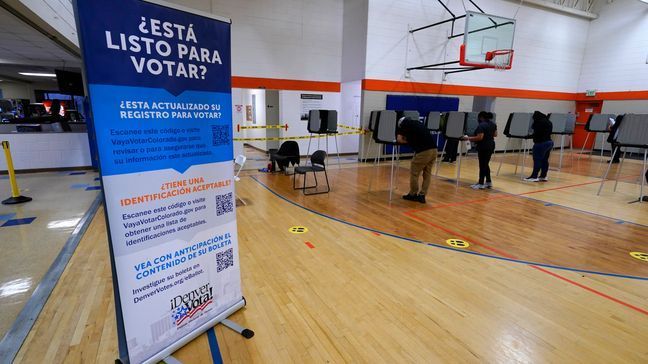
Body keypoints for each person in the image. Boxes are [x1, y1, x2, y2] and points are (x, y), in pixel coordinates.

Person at [396, 117, 438, 203]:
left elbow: (399, 140)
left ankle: (413, 194)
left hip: (424, 152)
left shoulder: (403, 126)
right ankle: (422, 195)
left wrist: (408, 142)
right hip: (434, 150)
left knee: (414, 172)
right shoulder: (418, 123)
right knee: (427, 174)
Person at [461, 111, 497, 189]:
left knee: (482, 164)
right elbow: (495, 134)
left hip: (484, 146)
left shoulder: (481, 125)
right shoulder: (493, 124)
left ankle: (481, 183)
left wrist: (467, 138)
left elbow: (479, 137)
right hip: (491, 145)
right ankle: (488, 182)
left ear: (481, 117)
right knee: (485, 164)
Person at [524, 111, 553, 182]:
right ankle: (543, 176)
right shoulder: (549, 122)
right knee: (545, 160)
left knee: (537, 160)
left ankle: (534, 176)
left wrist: (527, 136)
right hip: (549, 142)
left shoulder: (539, 122)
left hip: (540, 143)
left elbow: (537, 134)